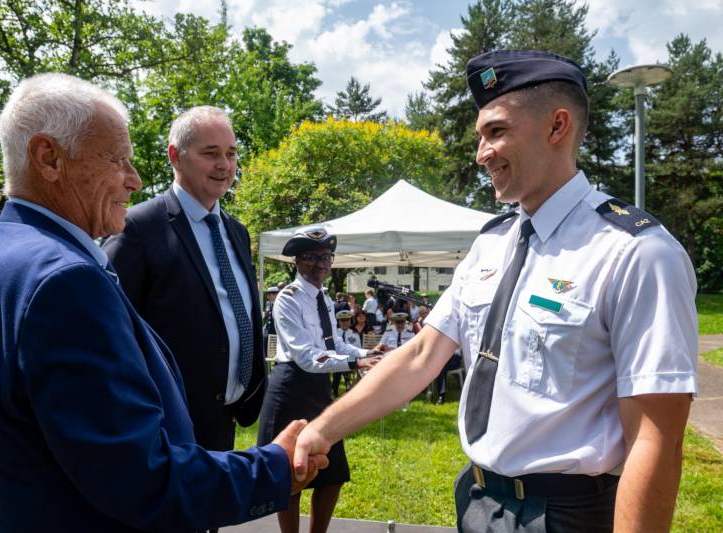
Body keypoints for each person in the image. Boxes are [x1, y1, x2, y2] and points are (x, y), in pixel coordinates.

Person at [293, 50, 698, 533]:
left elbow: (655, 440)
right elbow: (423, 354)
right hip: (479, 499)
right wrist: (322, 430)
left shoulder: (636, 252)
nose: (481, 152)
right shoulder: (493, 242)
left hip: (569, 515)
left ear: (557, 126)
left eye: (497, 132)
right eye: (480, 136)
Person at [0, 73, 325, 532]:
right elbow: (139, 478)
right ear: (49, 158)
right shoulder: (64, 282)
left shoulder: (8, 250)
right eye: (119, 160)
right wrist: (275, 467)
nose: (134, 179)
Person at [103, 106, 266, 459]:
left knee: (211, 515)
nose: (224, 165)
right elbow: (110, 331)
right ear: (175, 156)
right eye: (211, 153)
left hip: (225, 418)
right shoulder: (137, 228)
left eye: (231, 153)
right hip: (164, 425)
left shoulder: (236, 231)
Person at [257, 228, 383, 533]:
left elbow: (334, 344)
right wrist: (355, 361)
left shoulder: (325, 300)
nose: (320, 263)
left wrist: (370, 352)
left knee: (333, 472)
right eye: (311, 257)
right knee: (291, 472)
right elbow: (305, 356)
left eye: (325, 257)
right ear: (298, 262)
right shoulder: (287, 299)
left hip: (318, 387)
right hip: (290, 387)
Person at [331, 310, 360, 397]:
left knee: (345, 362)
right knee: (338, 362)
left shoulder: (355, 334)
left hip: (350, 359)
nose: (345, 323)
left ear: (350, 321)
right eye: (342, 321)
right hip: (336, 358)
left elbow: (358, 349)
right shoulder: (334, 333)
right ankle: (338, 388)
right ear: (339, 321)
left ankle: (338, 388)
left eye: (347, 320)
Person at [264, 286, 280, 354]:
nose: (268, 297)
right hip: (268, 330)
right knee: (265, 346)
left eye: (269, 295)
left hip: (276, 331)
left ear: (275, 295)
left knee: (276, 350)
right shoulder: (268, 303)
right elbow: (267, 316)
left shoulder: (279, 304)